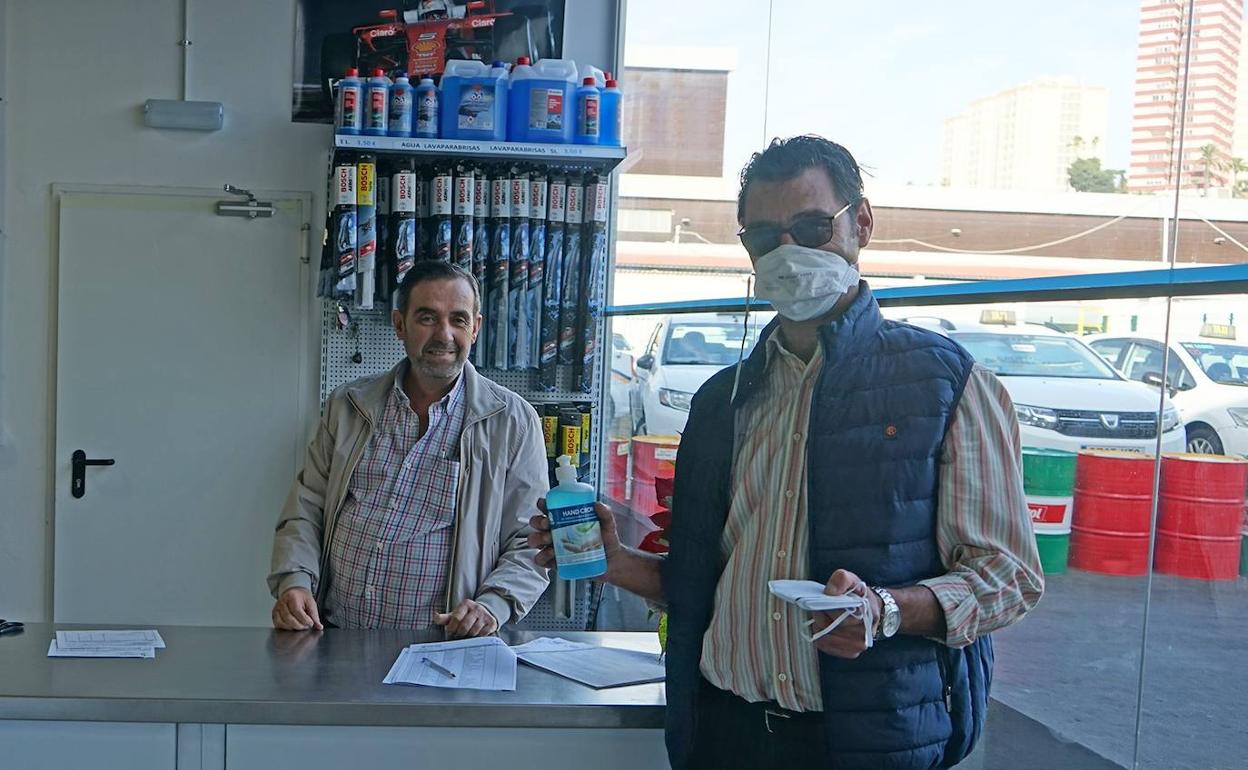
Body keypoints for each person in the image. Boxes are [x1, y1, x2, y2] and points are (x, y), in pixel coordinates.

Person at [530, 136, 1043, 769]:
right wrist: (615, 561)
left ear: (861, 223)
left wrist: (886, 610)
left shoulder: (947, 384)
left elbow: (1008, 577)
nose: (789, 252)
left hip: (864, 741)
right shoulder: (725, 399)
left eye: (810, 226)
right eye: (765, 237)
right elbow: (710, 579)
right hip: (724, 733)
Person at [269, 261, 549, 637]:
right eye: (428, 318)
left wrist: (493, 604)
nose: (444, 334)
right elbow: (306, 508)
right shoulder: (349, 406)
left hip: (441, 649)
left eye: (459, 320)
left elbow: (530, 542)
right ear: (399, 325)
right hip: (333, 636)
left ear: (476, 328)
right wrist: (295, 581)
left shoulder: (512, 422)